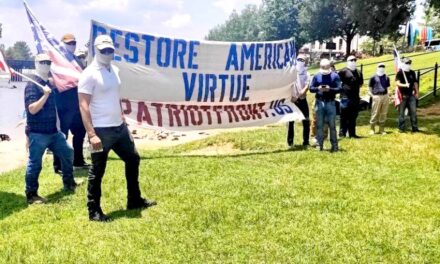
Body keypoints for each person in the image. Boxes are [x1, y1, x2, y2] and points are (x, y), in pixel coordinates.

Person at [78, 35, 156, 222]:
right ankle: (94, 211)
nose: (107, 53)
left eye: (110, 50)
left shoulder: (115, 70)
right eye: (104, 50)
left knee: (133, 159)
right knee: (97, 170)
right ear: (96, 50)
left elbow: (114, 96)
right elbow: (83, 104)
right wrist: (91, 134)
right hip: (100, 131)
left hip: (119, 128)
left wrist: (121, 116)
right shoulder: (89, 74)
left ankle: (134, 200)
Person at [24, 53, 76, 204]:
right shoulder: (32, 84)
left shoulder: (50, 83)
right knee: (35, 163)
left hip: (53, 132)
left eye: (48, 62)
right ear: (36, 63)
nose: (46, 65)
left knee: (68, 153)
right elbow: (32, 109)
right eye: (42, 62)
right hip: (38, 133)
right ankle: (31, 194)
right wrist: (45, 95)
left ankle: (69, 183)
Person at [53, 33, 89, 174]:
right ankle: (59, 165)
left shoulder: (77, 61)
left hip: (78, 104)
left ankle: (78, 160)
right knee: (62, 136)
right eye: (69, 43)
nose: (72, 45)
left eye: (74, 43)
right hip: (63, 105)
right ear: (62, 44)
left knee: (80, 133)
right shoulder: (56, 61)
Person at [309, 59, 342, 152]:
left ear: (329, 67)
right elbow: (311, 88)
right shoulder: (316, 75)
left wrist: (330, 89)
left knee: (332, 125)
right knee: (319, 125)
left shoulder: (335, 75)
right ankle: (319, 145)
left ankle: (335, 146)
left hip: (331, 102)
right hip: (319, 102)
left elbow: (339, 88)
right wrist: (318, 88)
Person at [287, 54, 310, 148]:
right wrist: (292, 96)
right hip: (292, 100)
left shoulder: (307, 73)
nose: (300, 61)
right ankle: (290, 142)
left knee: (306, 120)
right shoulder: (291, 72)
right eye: (299, 59)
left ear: (305, 62)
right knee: (291, 121)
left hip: (302, 99)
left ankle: (306, 141)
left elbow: (307, 85)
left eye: (302, 60)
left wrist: (301, 93)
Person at [338, 55, 364, 138]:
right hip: (345, 97)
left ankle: (352, 133)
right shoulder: (343, 71)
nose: (353, 61)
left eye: (355, 60)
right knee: (344, 116)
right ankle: (342, 133)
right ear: (347, 61)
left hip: (355, 97)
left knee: (353, 116)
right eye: (351, 60)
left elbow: (361, 84)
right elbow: (337, 82)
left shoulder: (359, 72)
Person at [396, 57, 419, 132]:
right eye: (407, 63)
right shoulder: (400, 73)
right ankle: (401, 128)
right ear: (403, 64)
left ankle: (415, 127)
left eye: (409, 63)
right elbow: (397, 83)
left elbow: (415, 83)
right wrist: (404, 85)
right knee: (401, 113)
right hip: (402, 96)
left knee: (413, 112)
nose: (408, 64)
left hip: (411, 95)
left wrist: (417, 92)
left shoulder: (412, 72)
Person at [368, 63, 390, 135]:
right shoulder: (373, 77)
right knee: (375, 113)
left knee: (383, 113)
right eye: (380, 66)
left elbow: (387, 87)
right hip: (376, 96)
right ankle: (372, 129)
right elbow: (370, 88)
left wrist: (388, 95)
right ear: (377, 67)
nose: (382, 68)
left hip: (385, 96)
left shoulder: (387, 77)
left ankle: (382, 129)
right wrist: (373, 96)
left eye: (383, 66)